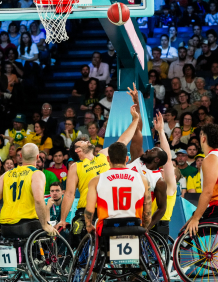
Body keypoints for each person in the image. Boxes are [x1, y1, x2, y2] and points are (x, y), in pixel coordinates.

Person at [55, 104, 140, 244]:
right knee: (80, 243)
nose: (87, 140)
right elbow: (69, 194)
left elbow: (123, 141)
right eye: (83, 141)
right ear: (77, 150)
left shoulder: (102, 155)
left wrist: (135, 119)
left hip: (109, 208)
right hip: (87, 211)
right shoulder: (76, 166)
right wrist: (63, 219)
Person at [128, 85, 178, 235]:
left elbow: (168, 160)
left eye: (153, 150)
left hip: (154, 222)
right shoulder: (138, 158)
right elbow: (137, 130)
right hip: (130, 214)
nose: (148, 149)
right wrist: (137, 104)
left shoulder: (161, 182)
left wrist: (161, 131)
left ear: (156, 160)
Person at [0, 143, 58, 236]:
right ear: (37, 157)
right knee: (49, 235)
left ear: (21, 156)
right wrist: (45, 225)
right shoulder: (37, 174)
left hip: (5, 225)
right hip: (27, 223)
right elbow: (38, 200)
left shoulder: (6, 174)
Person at [84, 141, 152, 235]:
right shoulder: (143, 179)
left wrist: (88, 225)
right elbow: (147, 212)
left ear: (108, 159)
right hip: (134, 227)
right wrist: (143, 228)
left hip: (108, 229)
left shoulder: (96, 180)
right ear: (127, 158)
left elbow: (90, 210)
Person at [184, 124, 218, 236]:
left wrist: (196, 218)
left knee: (187, 236)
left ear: (203, 138)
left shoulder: (211, 159)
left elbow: (208, 191)